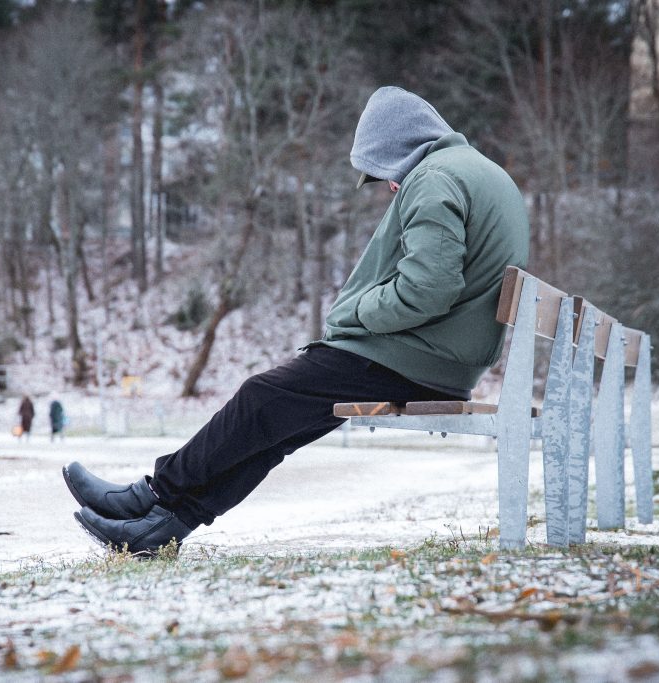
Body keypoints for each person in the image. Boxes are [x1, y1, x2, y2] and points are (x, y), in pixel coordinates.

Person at [64, 86, 530, 556]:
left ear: (400, 149)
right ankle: (162, 526)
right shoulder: (483, 173)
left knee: (261, 397)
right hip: (441, 361)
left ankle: (152, 496)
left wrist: (359, 311)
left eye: (387, 175)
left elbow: (428, 289)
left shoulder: (434, 178)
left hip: (414, 360)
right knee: (274, 426)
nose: (390, 187)